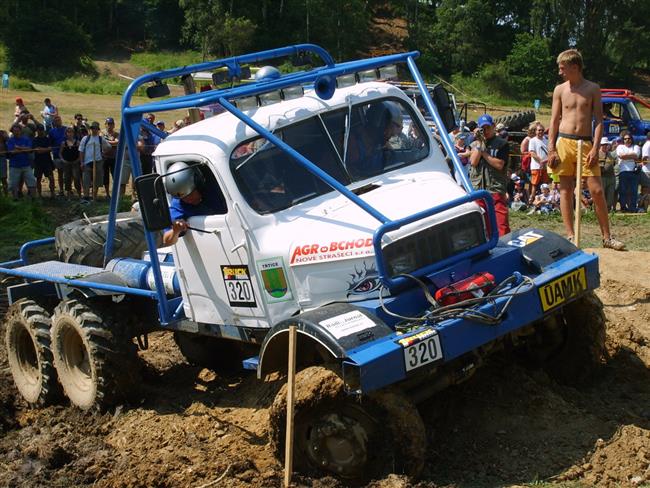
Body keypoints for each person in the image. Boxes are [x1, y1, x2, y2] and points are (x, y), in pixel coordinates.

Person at [547, 49, 624, 250]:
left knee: (597, 191)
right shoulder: (560, 90)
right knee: (565, 190)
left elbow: (599, 120)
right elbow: (554, 121)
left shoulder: (592, 89)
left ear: (575, 67)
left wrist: (596, 147)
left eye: (563, 68)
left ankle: (607, 237)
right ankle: (571, 236)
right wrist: (551, 149)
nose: (560, 72)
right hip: (563, 142)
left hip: (585, 143)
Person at [162, 162, 227, 245]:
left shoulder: (215, 186)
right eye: (183, 198)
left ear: (198, 184)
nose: (188, 200)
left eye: (190, 194)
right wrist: (176, 231)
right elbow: (166, 240)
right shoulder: (179, 205)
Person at [469, 114, 510, 236]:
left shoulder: (502, 144)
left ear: (493, 126)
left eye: (487, 127)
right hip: (479, 188)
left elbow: (499, 165)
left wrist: (484, 153)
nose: (485, 131)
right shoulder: (475, 144)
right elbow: (473, 162)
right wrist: (479, 144)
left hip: (495, 188)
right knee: (483, 224)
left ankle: (505, 245)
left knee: (501, 223)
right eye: (483, 128)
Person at [79, 121, 110, 201]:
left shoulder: (100, 139)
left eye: (96, 128)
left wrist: (104, 153)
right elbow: (81, 150)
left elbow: (108, 147)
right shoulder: (85, 139)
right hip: (87, 162)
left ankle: (94, 196)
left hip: (98, 161)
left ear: (98, 129)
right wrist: (82, 162)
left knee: (96, 180)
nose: (94, 130)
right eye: (93, 128)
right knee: (86, 180)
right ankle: (86, 196)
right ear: (91, 129)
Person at [6, 124, 35, 199]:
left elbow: (29, 149)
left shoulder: (26, 139)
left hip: (26, 164)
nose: (16, 132)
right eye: (14, 131)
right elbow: (11, 152)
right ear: (12, 131)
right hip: (14, 165)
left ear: (20, 130)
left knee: (31, 182)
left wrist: (18, 147)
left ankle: (33, 199)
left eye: (18, 130)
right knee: (13, 184)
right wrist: (23, 149)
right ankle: (15, 199)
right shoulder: (10, 140)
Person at [615, 131, 641, 212]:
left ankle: (632, 208)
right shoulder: (620, 147)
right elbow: (621, 156)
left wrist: (626, 156)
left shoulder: (636, 146)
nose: (627, 140)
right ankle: (623, 207)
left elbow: (636, 155)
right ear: (623, 140)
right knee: (623, 191)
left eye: (629, 138)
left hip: (634, 172)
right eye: (625, 139)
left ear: (631, 139)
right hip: (623, 171)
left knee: (634, 191)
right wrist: (631, 156)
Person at [528, 123, 549, 203]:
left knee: (545, 184)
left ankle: (544, 202)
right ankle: (531, 201)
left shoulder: (546, 140)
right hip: (536, 166)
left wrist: (545, 162)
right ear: (536, 131)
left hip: (545, 166)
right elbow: (532, 153)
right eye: (539, 130)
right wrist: (540, 161)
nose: (541, 132)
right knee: (534, 184)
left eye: (542, 130)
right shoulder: (532, 141)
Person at [32, 124, 55, 198]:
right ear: (37, 131)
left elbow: (50, 149)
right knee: (38, 178)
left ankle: (52, 193)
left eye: (42, 129)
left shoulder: (47, 139)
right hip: (38, 162)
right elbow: (37, 151)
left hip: (47, 161)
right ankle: (39, 194)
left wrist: (42, 149)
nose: (40, 131)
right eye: (39, 130)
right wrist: (46, 149)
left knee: (51, 178)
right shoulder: (34, 140)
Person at [60, 126, 81, 198]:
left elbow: (80, 153)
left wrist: (78, 160)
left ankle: (79, 195)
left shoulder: (77, 142)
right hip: (66, 163)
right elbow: (60, 153)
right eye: (68, 132)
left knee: (77, 178)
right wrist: (63, 160)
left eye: (71, 132)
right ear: (66, 134)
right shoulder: (63, 143)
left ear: (73, 133)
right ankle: (68, 196)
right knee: (67, 179)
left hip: (75, 163)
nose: (70, 134)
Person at [48, 115, 67, 196]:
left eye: (59, 120)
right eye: (56, 120)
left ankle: (68, 188)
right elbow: (50, 143)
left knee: (68, 173)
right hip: (56, 155)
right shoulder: (52, 131)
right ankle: (61, 190)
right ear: (54, 122)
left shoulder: (66, 129)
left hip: (67, 155)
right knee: (60, 173)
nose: (58, 121)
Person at [102, 117, 120, 198]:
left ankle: (115, 193)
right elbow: (102, 143)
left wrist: (107, 142)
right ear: (105, 124)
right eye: (108, 124)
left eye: (111, 124)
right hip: (104, 158)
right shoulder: (102, 133)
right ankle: (107, 193)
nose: (110, 125)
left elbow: (117, 142)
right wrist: (111, 142)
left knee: (115, 176)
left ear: (114, 125)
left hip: (114, 158)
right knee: (105, 177)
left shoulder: (116, 134)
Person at [598, 137, 617, 211]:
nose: (605, 146)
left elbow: (614, 164)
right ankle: (601, 210)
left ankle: (608, 209)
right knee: (601, 195)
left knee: (610, 195)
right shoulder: (597, 154)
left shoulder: (610, 154)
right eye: (604, 144)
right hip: (601, 177)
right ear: (600, 145)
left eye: (607, 144)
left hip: (611, 177)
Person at [0, 130, 8, 196]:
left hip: (2, 160)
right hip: (2, 159)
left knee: (3, 178)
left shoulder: (5, 143)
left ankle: (6, 195)